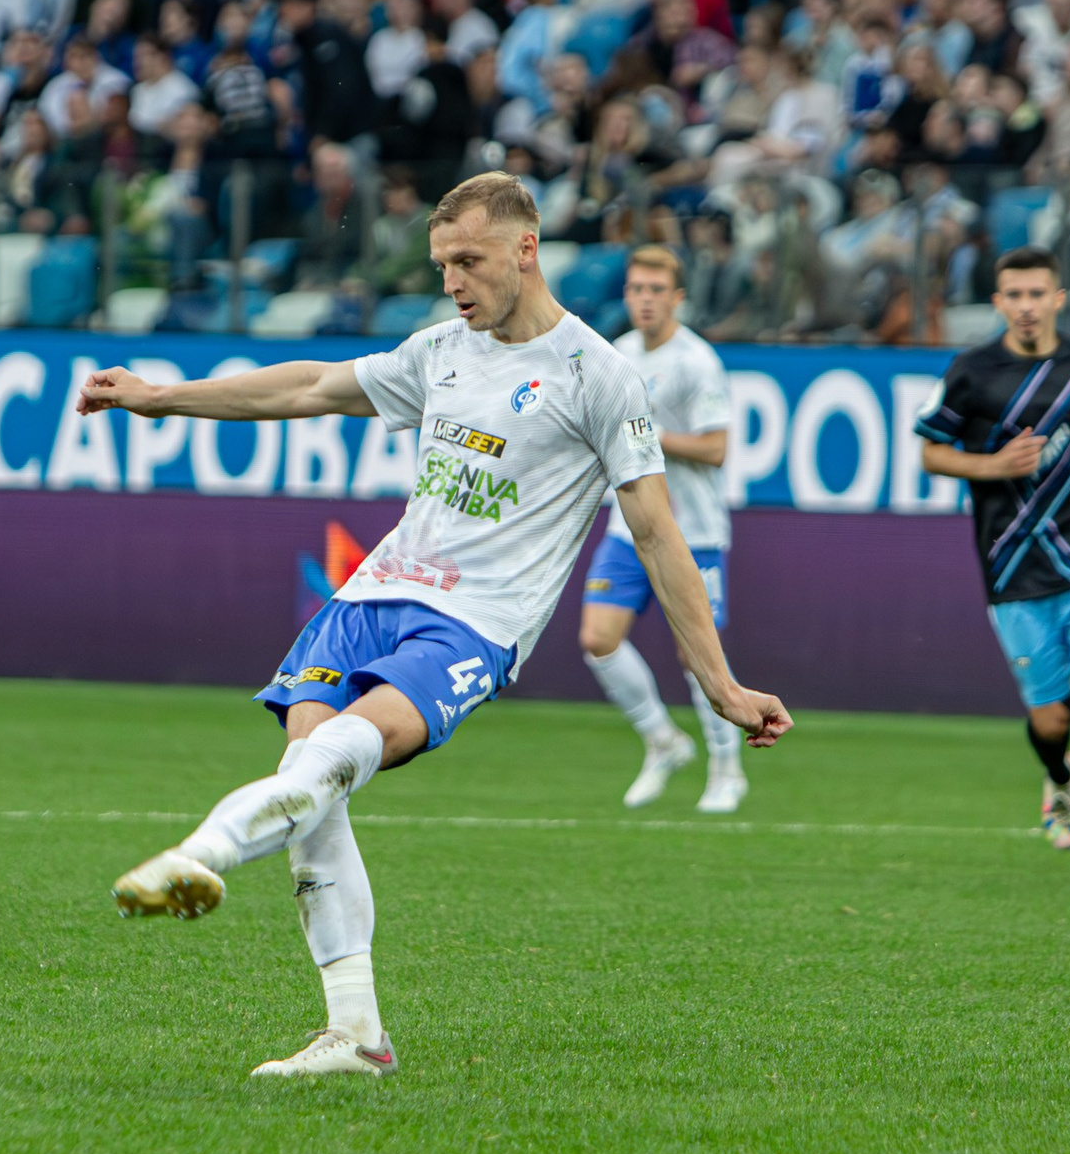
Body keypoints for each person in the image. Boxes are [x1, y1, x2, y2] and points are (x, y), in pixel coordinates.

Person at [75, 173, 791, 1076]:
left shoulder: (600, 376)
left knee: (330, 758)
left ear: (526, 249)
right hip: (371, 597)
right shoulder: (442, 349)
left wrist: (721, 684)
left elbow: (656, 530)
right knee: (311, 789)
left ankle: (200, 852)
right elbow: (310, 386)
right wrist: (161, 395)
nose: (453, 280)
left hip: (474, 624)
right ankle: (356, 1035)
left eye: (468, 260)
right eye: (441, 262)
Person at [914, 246, 1070, 890]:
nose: (1026, 306)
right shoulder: (972, 372)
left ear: (1058, 298)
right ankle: (1060, 779)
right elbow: (931, 454)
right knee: (1050, 719)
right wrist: (992, 466)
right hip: (1012, 564)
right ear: (998, 303)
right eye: (1013, 296)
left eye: (1037, 294)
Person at [576, 246, 743, 813]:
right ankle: (662, 740)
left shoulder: (698, 361)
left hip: (691, 533)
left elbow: (716, 448)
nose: (644, 300)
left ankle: (727, 770)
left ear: (677, 298)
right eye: (636, 289)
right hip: (628, 528)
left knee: (697, 656)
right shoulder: (616, 353)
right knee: (598, 641)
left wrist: (643, 432)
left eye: (655, 290)